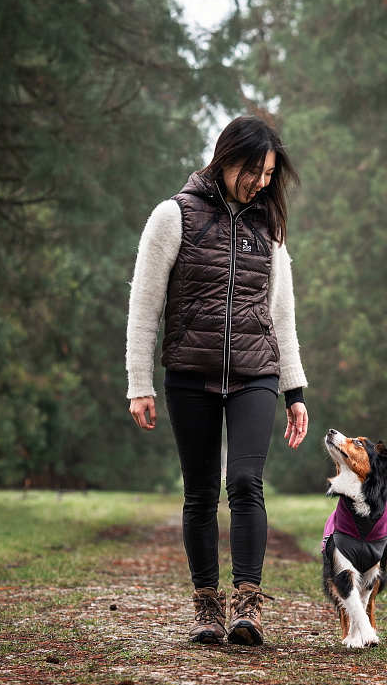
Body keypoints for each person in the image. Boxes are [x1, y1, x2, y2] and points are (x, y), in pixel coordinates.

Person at [126, 115, 309, 646]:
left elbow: (281, 313)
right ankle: (207, 607)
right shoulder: (173, 215)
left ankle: (247, 606)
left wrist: (293, 390)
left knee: (246, 483)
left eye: (270, 174)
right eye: (254, 171)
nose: (261, 183)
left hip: (256, 372)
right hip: (190, 371)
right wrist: (140, 380)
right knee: (201, 494)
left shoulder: (268, 228)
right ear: (226, 158)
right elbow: (144, 305)